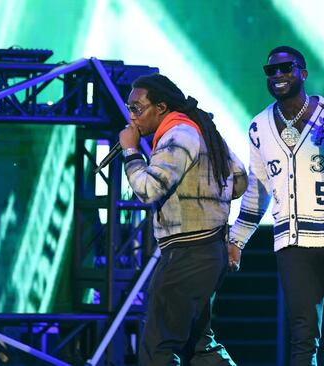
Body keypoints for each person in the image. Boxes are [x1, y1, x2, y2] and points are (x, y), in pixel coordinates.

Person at [227, 46, 324, 365]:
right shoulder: (259, 127)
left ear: (303, 73)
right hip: (294, 245)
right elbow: (258, 190)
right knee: (303, 338)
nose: (279, 75)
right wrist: (236, 240)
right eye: (272, 71)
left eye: (286, 68)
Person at [118, 73, 247, 366]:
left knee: (158, 348)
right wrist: (206, 194)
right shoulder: (198, 130)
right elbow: (239, 181)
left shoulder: (177, 135)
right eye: (129, 108)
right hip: (208, 252)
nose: (132, 116)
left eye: (137, 108)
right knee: (199, 346)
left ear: (160, 107)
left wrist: (130, 151)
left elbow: (148, 190)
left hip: (187, 254)